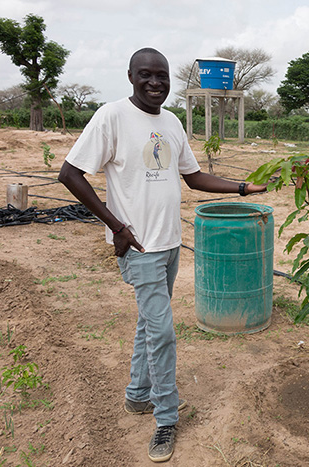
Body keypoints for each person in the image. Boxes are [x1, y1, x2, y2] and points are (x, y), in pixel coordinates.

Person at [58, 47, 266, 463]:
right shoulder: (112, 117)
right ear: (131, 76)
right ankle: (165, 419)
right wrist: (116, 225)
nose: (156, 83)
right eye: (147, 75)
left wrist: (243, 187)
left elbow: (193, 177)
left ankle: (137, 395)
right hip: (140, 248)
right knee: (163, 331)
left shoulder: (171, 122)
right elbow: (69, 174)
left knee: (150, 325)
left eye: (163, 76)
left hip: (170, 243)